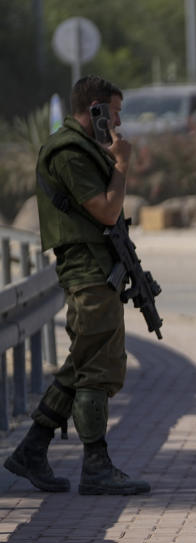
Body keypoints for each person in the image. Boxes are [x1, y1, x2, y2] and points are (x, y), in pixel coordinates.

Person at [3, 76, 150, 496]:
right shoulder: (67, 151)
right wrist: (121, 165)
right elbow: (105, 210)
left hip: (98, 269)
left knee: (93, 363)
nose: (120, 123)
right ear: (96, 109)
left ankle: (38, 449)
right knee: (90, 365)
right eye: (115, 113)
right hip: (85, 270)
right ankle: (89, 464)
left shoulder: (87, 149)